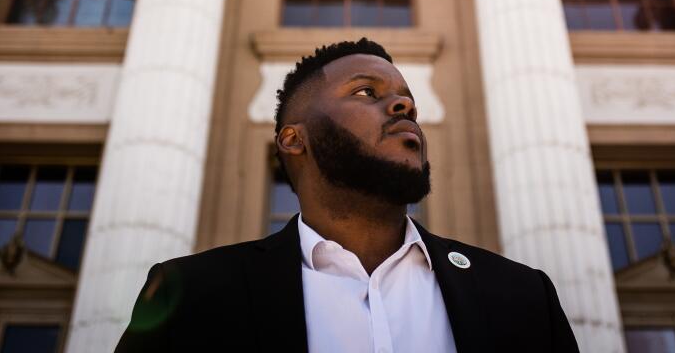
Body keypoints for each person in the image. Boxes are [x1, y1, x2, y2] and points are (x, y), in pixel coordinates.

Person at [116, 38, 580, 352]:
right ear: (293, 139)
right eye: (365, 91)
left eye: (407, 101)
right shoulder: (193, 295)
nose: (404, 107)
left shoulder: (522, 296)